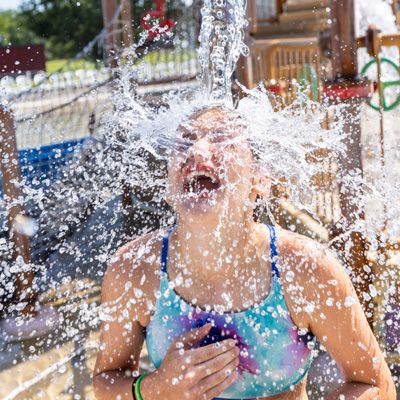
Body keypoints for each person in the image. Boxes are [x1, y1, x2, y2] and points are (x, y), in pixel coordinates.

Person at [93, 106, 395, 400]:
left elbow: (375, 384)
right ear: (167, 189)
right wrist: (154, 390)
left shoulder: (305, 268)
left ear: (259, 180)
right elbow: (106, 381)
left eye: (222, 139)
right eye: (184, 141)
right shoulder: (134, 269)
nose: (196, 150)